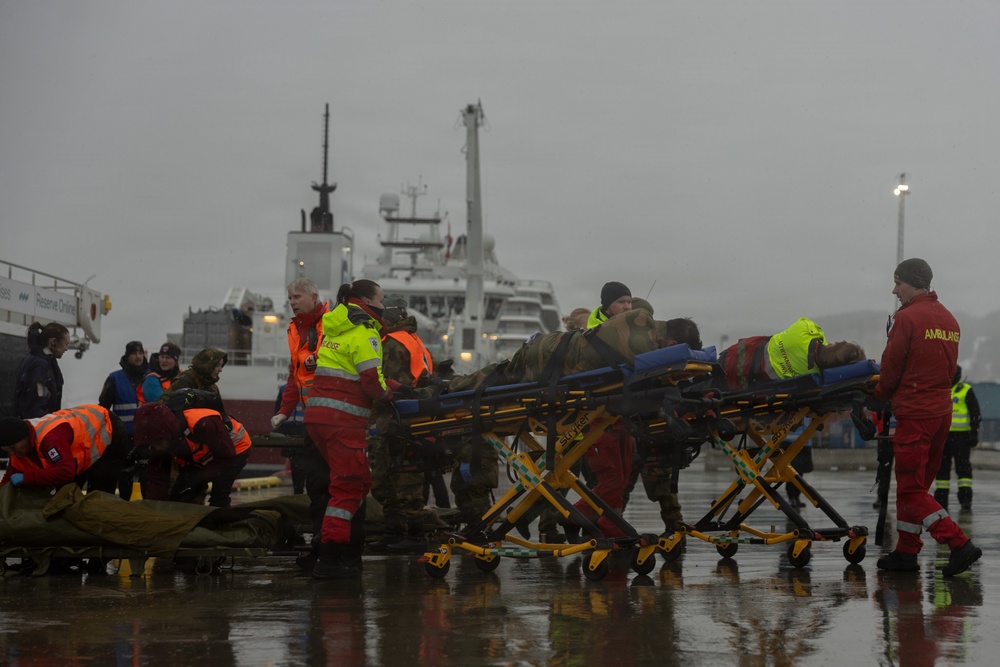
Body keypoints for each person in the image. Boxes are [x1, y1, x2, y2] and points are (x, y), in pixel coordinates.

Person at [872, 258, 981, 576]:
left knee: (910, 490)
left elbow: (891, 369)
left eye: (898, 284)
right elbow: (948, 370)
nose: (895, 290)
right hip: (939, 413)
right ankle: (907, 551)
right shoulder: (949, 320)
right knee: (917, 487)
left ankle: (959, 544)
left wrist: (877, 397)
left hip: (916, 414)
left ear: (913, 283)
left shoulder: (906, 319)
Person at [304, 279, 399, 579]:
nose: (384, 306)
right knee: (347, 487)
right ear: (368, 302)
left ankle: (345, 550)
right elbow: (371, 382)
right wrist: (390, 394)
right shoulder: (365, 331)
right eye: (381, 300)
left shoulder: (336, 327)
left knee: (355, 483)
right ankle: (332, 559)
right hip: (343, 422)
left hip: (320, 417)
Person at [270, 278, 331, 570]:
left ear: (313, 295)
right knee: (317, 485)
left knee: (329, 484)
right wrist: (284, 410)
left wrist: (319, 358)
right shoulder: (295, 329)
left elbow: (340, 357)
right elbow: (296, 375)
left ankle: (329, 547)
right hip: (313, 419)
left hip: (333, 418)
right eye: (290, 297)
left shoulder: (330, 323)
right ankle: (322, 543)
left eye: (297, 296)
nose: (292, 301)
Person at [369, 295, 436, 553]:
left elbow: (385, 384)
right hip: (413, 417)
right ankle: (399, 533)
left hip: (397, 420)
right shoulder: (412, 340)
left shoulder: (393, 344)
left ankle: (410, 535)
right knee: (399, 478)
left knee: (400, 479)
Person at [133, 401, 250, 507]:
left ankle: (221, 524)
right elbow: (157, 479)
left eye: (158, 442)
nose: (157, 448)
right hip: (200, 457)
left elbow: (227, 459)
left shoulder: (202, 423)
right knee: (179, 495)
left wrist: (199, 478)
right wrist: (154, 509)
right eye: (152, 445)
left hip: (236, 449)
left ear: (168, 434)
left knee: (219, 495)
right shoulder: (159, 441)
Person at [0, 405, 129, 494]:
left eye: (13, 448)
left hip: (106, 428)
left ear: (26, 437)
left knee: (99, 496)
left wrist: (26, 478)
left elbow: (65, 472)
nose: (12, 453)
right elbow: (7, 479)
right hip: (76, 448)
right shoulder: (19, 448)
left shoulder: (49, 439)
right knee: (65, 497)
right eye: (7, 450)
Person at [718, 318, 866, 389]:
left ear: (836, 344)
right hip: (739, 384)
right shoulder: (811, 378)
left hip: (735, 354)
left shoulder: (807, 328)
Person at [934, 365, 982, 511]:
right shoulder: (940, 390)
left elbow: (975, 414)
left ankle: (965, 500)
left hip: (962, 437)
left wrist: (974, 433)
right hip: (943, 437)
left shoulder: (965, 390)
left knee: (963, 470)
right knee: (941, 470)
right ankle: (941, 501)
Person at [14, 321, 70, 419]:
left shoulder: (40, 360)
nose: (66, 349)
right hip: (38, 428)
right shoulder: (40, 364)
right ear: (53, 342)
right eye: (66, 344)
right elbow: (35, 404)